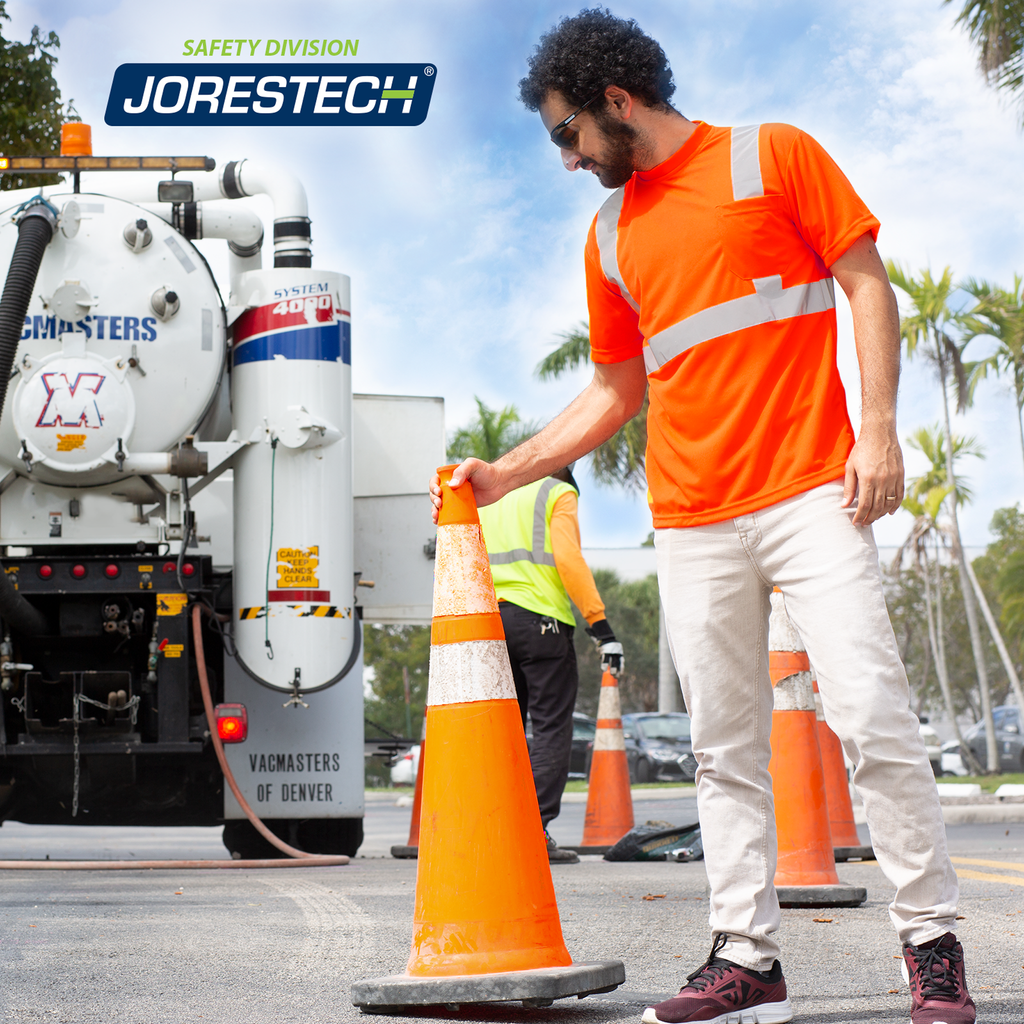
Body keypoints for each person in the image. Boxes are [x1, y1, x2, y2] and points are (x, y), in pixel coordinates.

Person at [431, 10, 974, 1024]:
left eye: (567, 133)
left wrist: (881, 431)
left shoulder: (774, 156)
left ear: (617, 102)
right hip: (691, 517)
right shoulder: (608, 233)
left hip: (814, 489)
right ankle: (745, 956)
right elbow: (613, 389)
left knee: (875, 719)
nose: (565, 157)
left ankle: (931, 943)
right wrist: (506, 471)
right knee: (723, 747)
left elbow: (865, 286)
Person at [477, 465, 622, 864]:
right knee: (551, 729)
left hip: (491, 623)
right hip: (541, 622)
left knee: (504, 733)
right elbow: (569, 560)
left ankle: (497, 831)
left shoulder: (490, 500)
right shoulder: (556, 492)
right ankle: (532, 832)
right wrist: (601, 626)